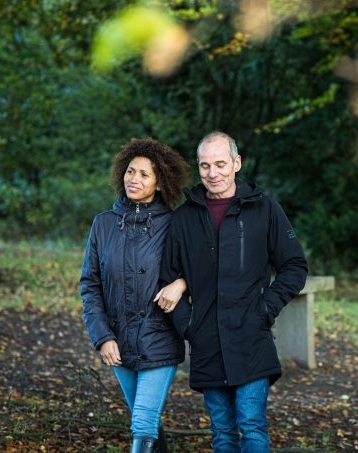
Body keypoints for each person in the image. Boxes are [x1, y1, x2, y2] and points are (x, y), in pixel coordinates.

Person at [159, 131, 308, 452]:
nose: (213, 173)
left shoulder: (265, 209)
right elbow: (166, 278)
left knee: (252, 427)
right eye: (205, 165)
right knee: (222, 433)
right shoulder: (184, 218)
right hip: (206, 342)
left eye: (221, 164)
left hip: (251, 338)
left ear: (237, 163)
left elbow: (294, 266)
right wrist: (189, 325)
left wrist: (265, 309)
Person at [80, 138, 190, 453]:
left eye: (144, 174)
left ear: (159, 183)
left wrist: (182, 283)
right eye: (131, 171)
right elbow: (90, 284)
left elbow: (204, 271)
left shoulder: (175, 225)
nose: (134, 179)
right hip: (118, 342)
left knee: (141, 423)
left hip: (160, 339)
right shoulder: (103, 224)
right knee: (149, 423)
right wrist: (102, 336)